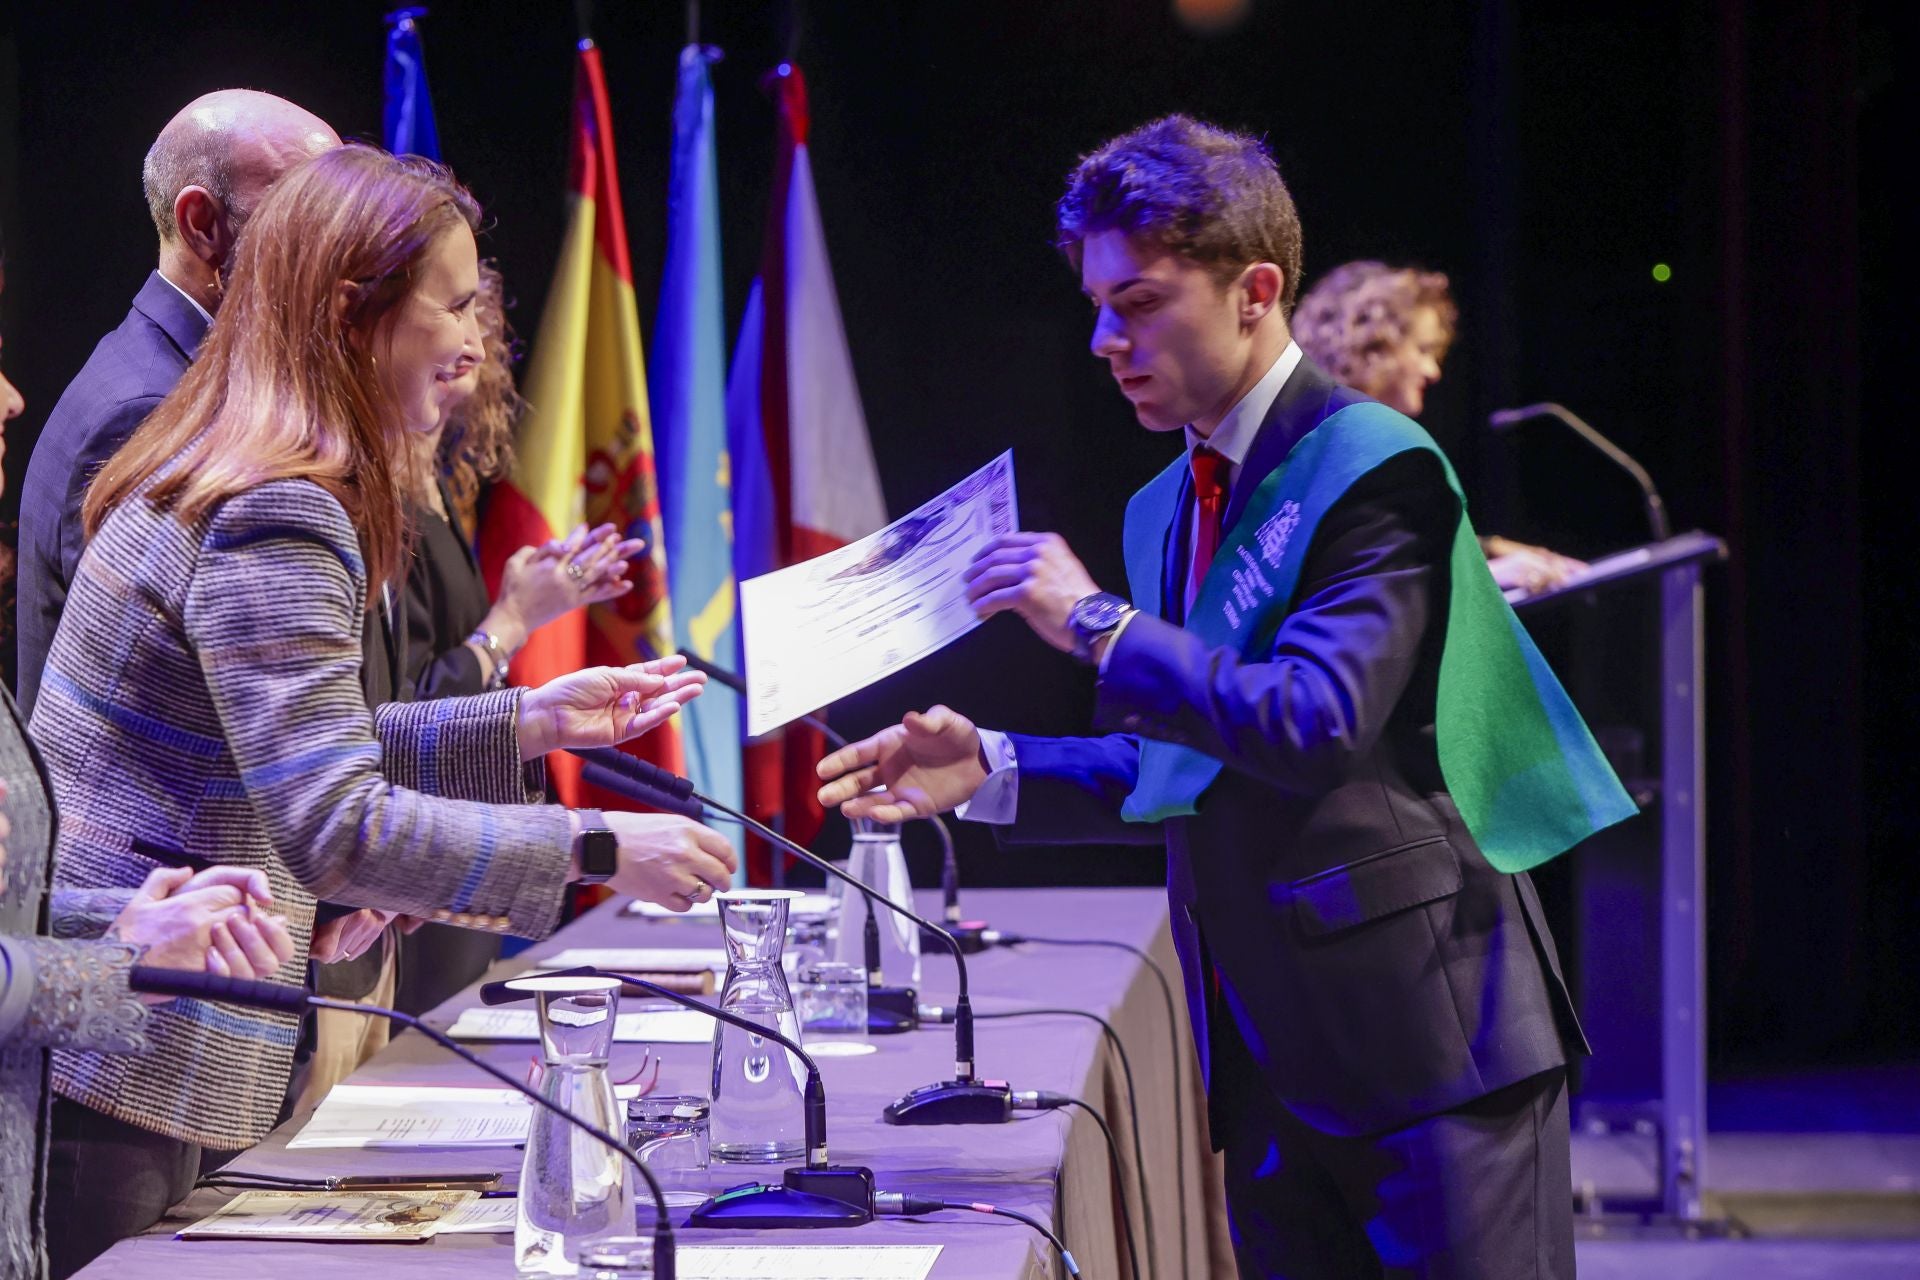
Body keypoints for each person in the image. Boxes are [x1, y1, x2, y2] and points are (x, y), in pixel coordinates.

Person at [817, 116, 1634, 1278]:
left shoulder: (1372, 462)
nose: (1106, 337)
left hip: (1429, 1057)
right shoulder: (1170, 500)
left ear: (1256, 291)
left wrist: (1098, 623)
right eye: (1098, 304)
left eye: (1141, 302)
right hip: (1266, 1065)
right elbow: (1183, 765)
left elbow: (1312, 722)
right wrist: (995, 765)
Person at [31, 145, 738, 1276]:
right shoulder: (278, 507)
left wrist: (527, 722)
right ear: (357, 313)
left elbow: (294, 747)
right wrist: (598, 843)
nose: (472, 341)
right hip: (135, 1064)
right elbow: (335, 824)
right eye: (452, 305)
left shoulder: (244, 458)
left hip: (147, 1053)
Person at [1, 234, 299, 1280]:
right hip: (93, 1084)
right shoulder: (156, 424)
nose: (8, 397)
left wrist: (121, 923)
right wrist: (119, 961)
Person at [14, 89, 343, 719]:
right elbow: (161, 711)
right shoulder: (147, 410)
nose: (339, 249)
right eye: (308, 213)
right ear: (202, 225)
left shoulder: (178, 379)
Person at [389, 262, 640, 1021]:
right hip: (403, 903)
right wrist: (511, 624)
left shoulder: (439, 484)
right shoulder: (373, 501)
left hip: (456, 893)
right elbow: (397, 722)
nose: (470, 343)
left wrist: (545, 596)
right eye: (454, 314)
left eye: (482, 323)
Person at [1292, 260, 1585, 595]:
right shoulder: (1328, 445)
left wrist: (1489, 548)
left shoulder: (1345, 435)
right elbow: (1356, 580)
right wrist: (1489, 574)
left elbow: (1394, 544)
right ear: (1371, 345)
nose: (1433, 372)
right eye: (1423, 350)